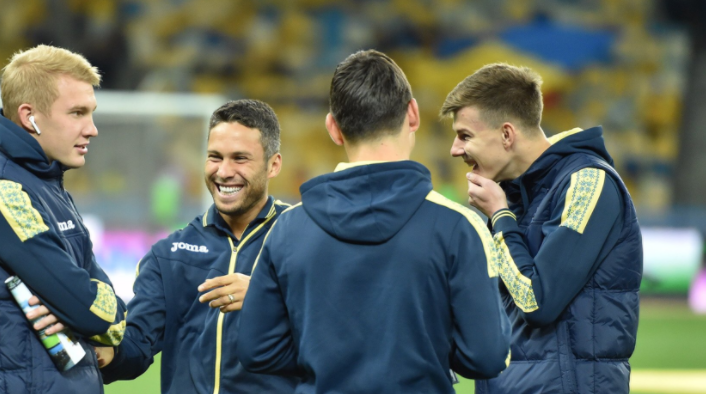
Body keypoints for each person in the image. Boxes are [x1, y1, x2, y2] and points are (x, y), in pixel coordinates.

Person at [237, 50, 511, 393]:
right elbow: (487, 356)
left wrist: (324, 353)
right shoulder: (459, 227)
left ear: (333, 129)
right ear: (413, 114)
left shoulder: (288, 229)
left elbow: (256, 350)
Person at [439, 63, 643, 394]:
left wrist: (500, 216)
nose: (455, 149)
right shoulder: (512, 193)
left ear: (507, 135)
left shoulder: (588, 183)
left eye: (465, 136)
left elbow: (536, 301)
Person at [0, 45, 127, 394]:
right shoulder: (0, 193)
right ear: (29, 117)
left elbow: (98, 303)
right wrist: (86, 313)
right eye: (77, 113)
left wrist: (84, 310)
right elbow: (95, 313)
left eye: (91, 113)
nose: (92, 129)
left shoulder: (45, 185)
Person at [97, 99, 300, 393]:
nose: (224, 171)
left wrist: (267, 297)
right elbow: (137, 346)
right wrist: (106, 352)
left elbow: (336, 329)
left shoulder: (305, 237)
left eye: (240, 158)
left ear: (273, 165)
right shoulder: (169, 255)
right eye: (215, 157)